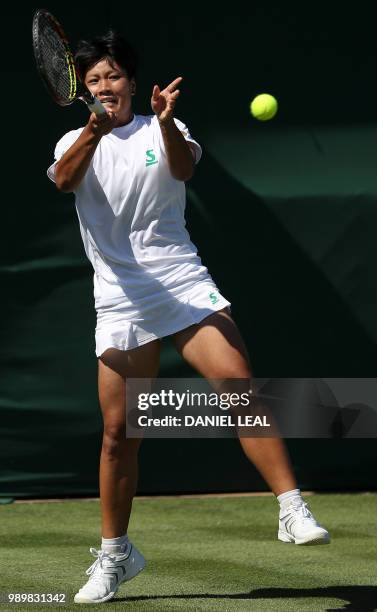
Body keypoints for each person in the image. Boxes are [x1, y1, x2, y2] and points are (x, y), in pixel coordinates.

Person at [47, 30, 330, 605]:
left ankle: (290, 508)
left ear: (131, 82)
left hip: (181, 282)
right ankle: (116, 554)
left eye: (114, 77)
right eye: (95, 80)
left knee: (238, 388)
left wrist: (168, 122)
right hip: (120, 295)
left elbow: (182, 170)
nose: (106, 88)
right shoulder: (72, 140)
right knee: (118, 435)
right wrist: (94, 136)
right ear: (84, 90)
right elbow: (64, 179)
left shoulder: (162, 129)